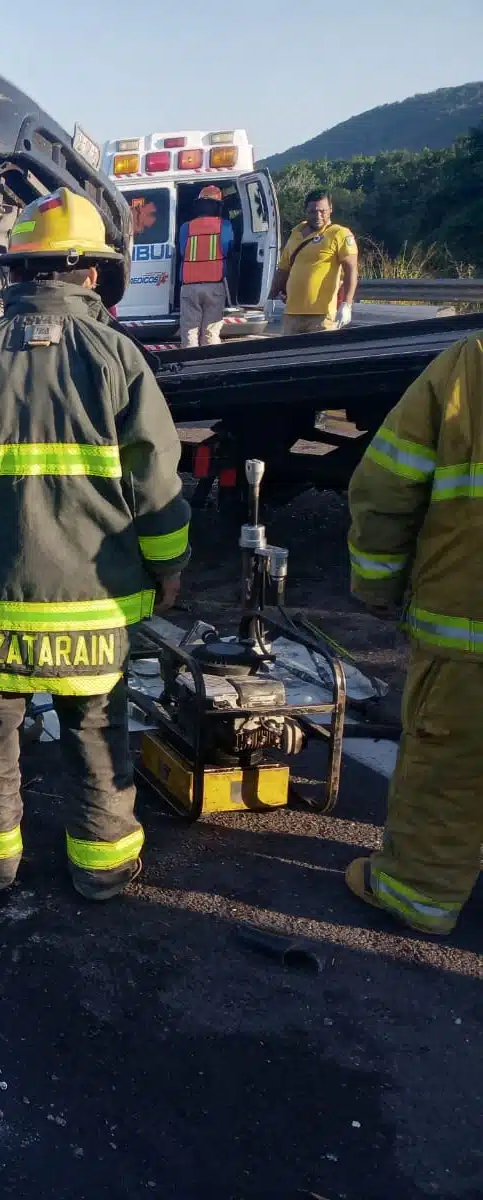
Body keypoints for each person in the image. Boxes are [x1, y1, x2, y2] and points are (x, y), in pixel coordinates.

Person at [0, 187, 190, 902]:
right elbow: (155, 480)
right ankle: (101, 868)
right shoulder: (119, 357)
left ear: (17, 274)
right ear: (91, 274)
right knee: (97, 735)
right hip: (93, 603)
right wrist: (168, 564)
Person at [343, 331, 483, 936]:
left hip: (469, 627)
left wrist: (377, 586)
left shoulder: (470, 367)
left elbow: (386, 487)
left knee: (451, 767)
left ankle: (418, 893)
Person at [269, 190, 358, 335]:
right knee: (289, 356)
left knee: (318, 356)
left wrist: (346, 304)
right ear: (306, 211)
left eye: (322, 211)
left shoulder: (339, 234)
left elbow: (351, 270)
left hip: (322, 316)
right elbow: (283, 270)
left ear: (330, 209)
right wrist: (270, 298)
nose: (318, 216)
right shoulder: (295, 233)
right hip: (292, 314)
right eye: (312, 211)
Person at [176, 184, 235, 348]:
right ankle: (209, 367)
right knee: (210, 332)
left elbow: (182, 250)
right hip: (215, 286)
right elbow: (228, 249)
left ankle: (189, 367)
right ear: (218, 206)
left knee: (189, 331)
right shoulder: (225, 226)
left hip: (189, 286)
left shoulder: (186, 227)